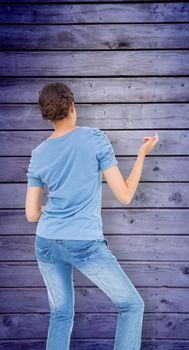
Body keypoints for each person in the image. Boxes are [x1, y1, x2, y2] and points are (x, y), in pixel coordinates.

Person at [25, 82, 159, 350]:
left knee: (60, 315)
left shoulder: (39, 154)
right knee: (132, 306)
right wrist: (141, 155)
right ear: (72, 107)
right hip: (84, 243)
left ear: (47, 115)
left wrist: (52, 213)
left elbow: (31, 214)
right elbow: (124, 195)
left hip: (47, 243)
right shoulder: (94, 138)